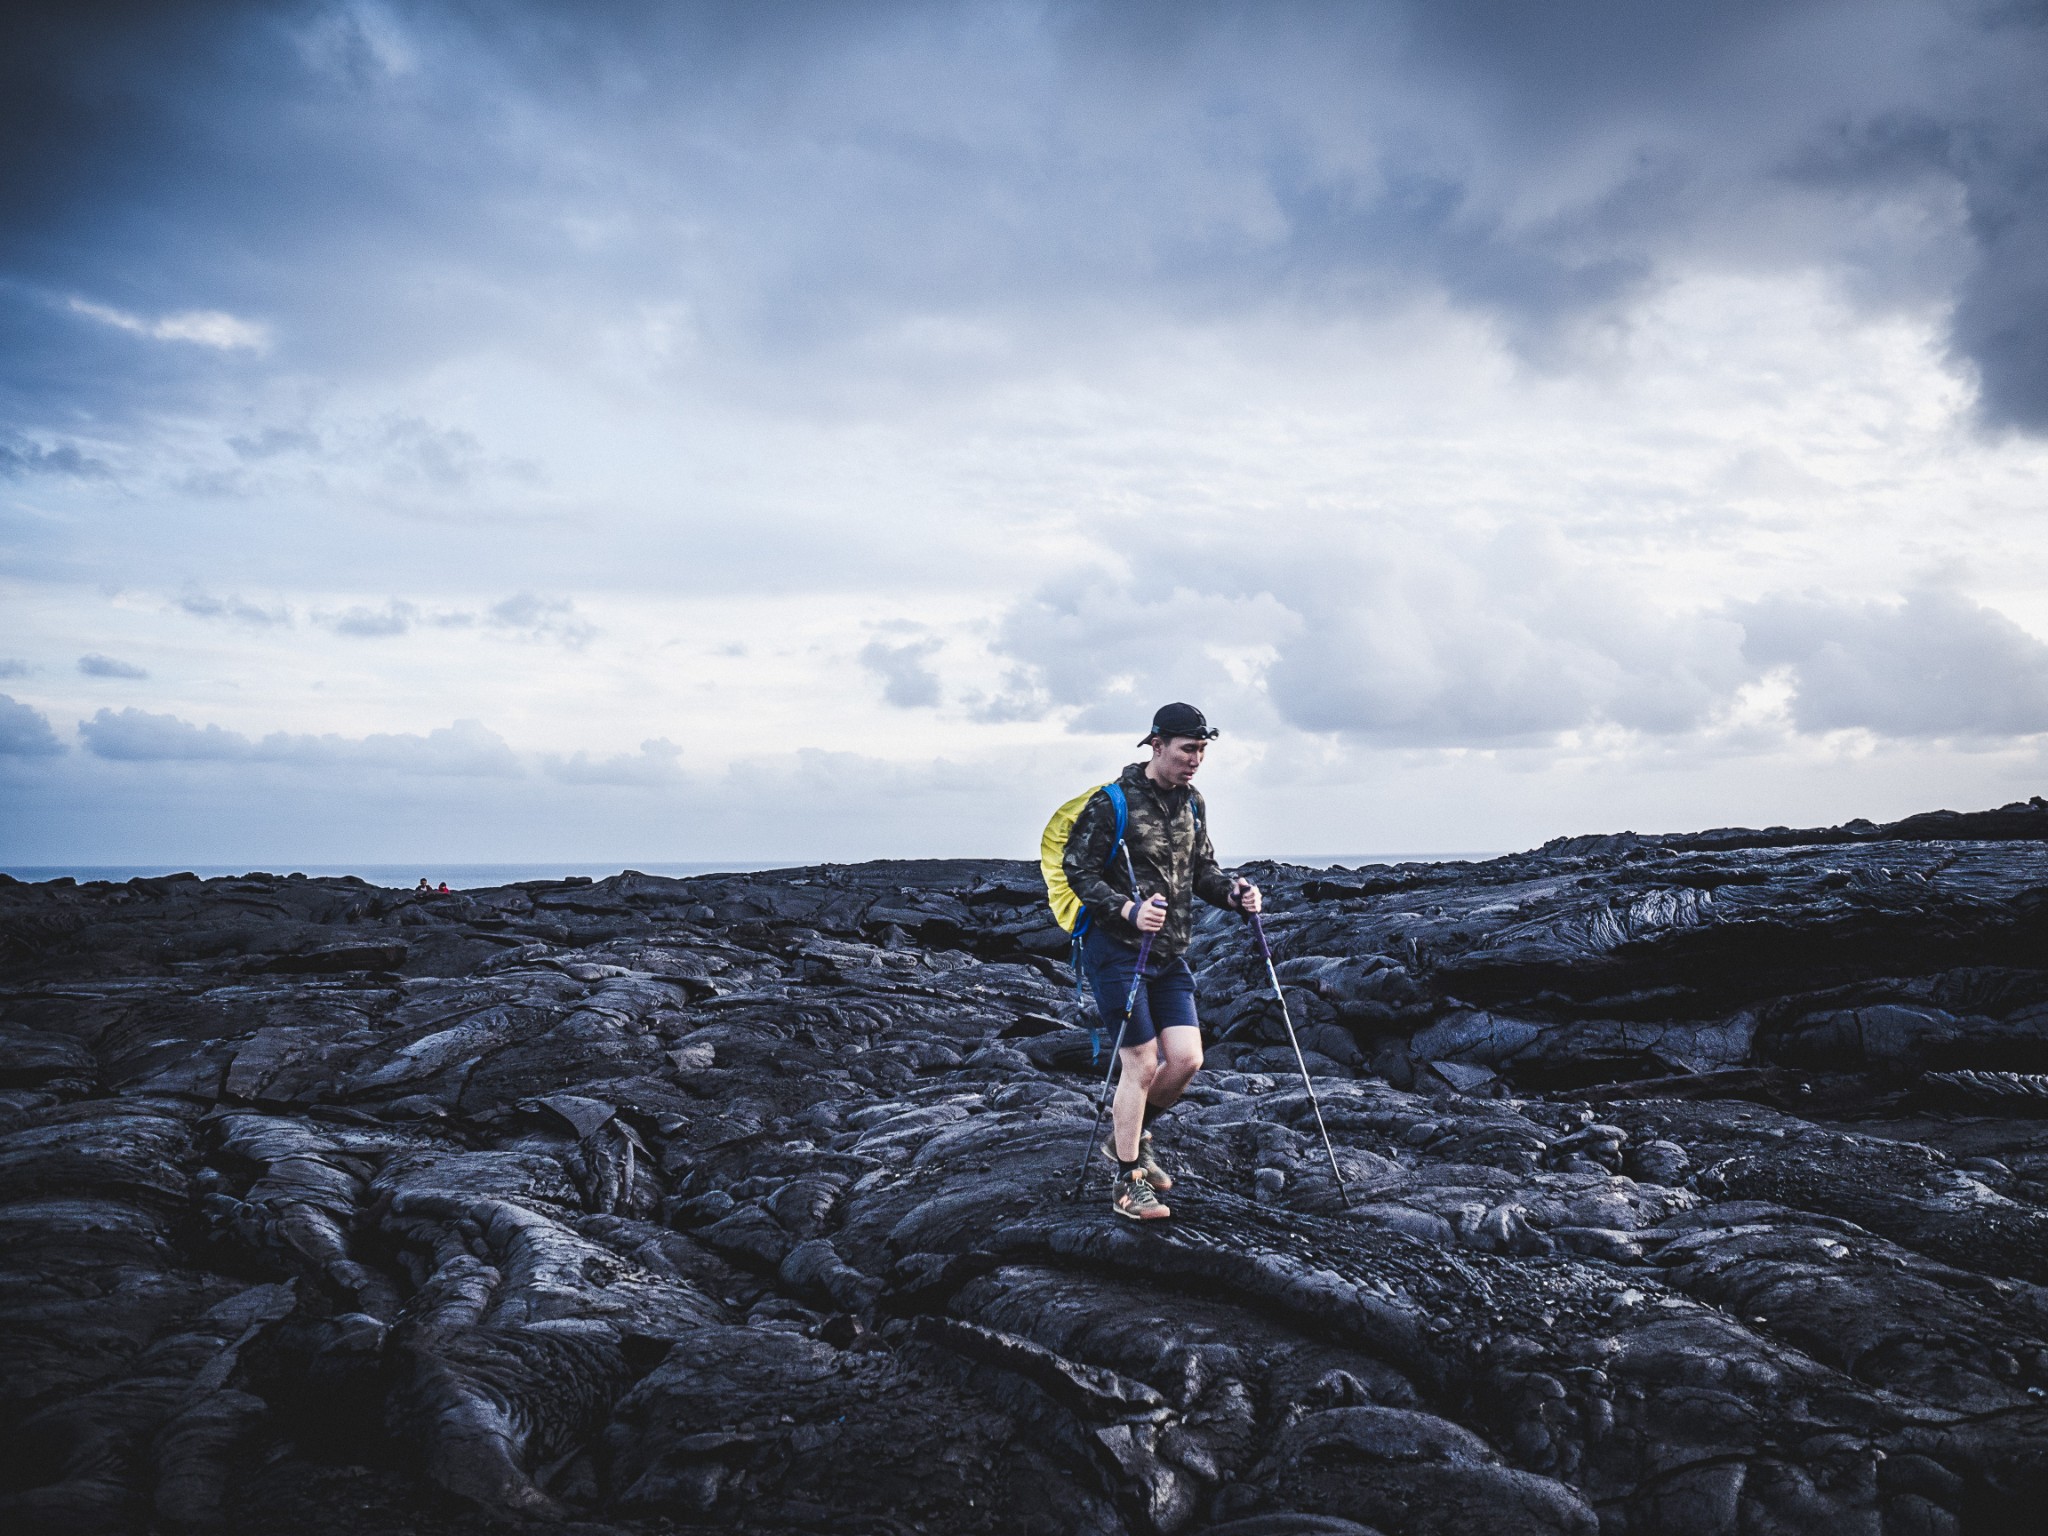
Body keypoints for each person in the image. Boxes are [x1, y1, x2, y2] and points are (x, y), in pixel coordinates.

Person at [1062, 701, 1261, 1220]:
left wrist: (1235, 895)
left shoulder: (1193, 803)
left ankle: (1126, 1136)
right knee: (1142, 1063)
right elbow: (1077, 870)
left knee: (1189, 1060)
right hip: (1117, 953)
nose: (1196, 759)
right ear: (1157, 746)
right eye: (1187, 749)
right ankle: (1127, 1181)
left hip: (1170, 954)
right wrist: (1127, 909)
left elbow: (1204, 870)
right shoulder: (1113, 803)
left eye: (1202, 750)